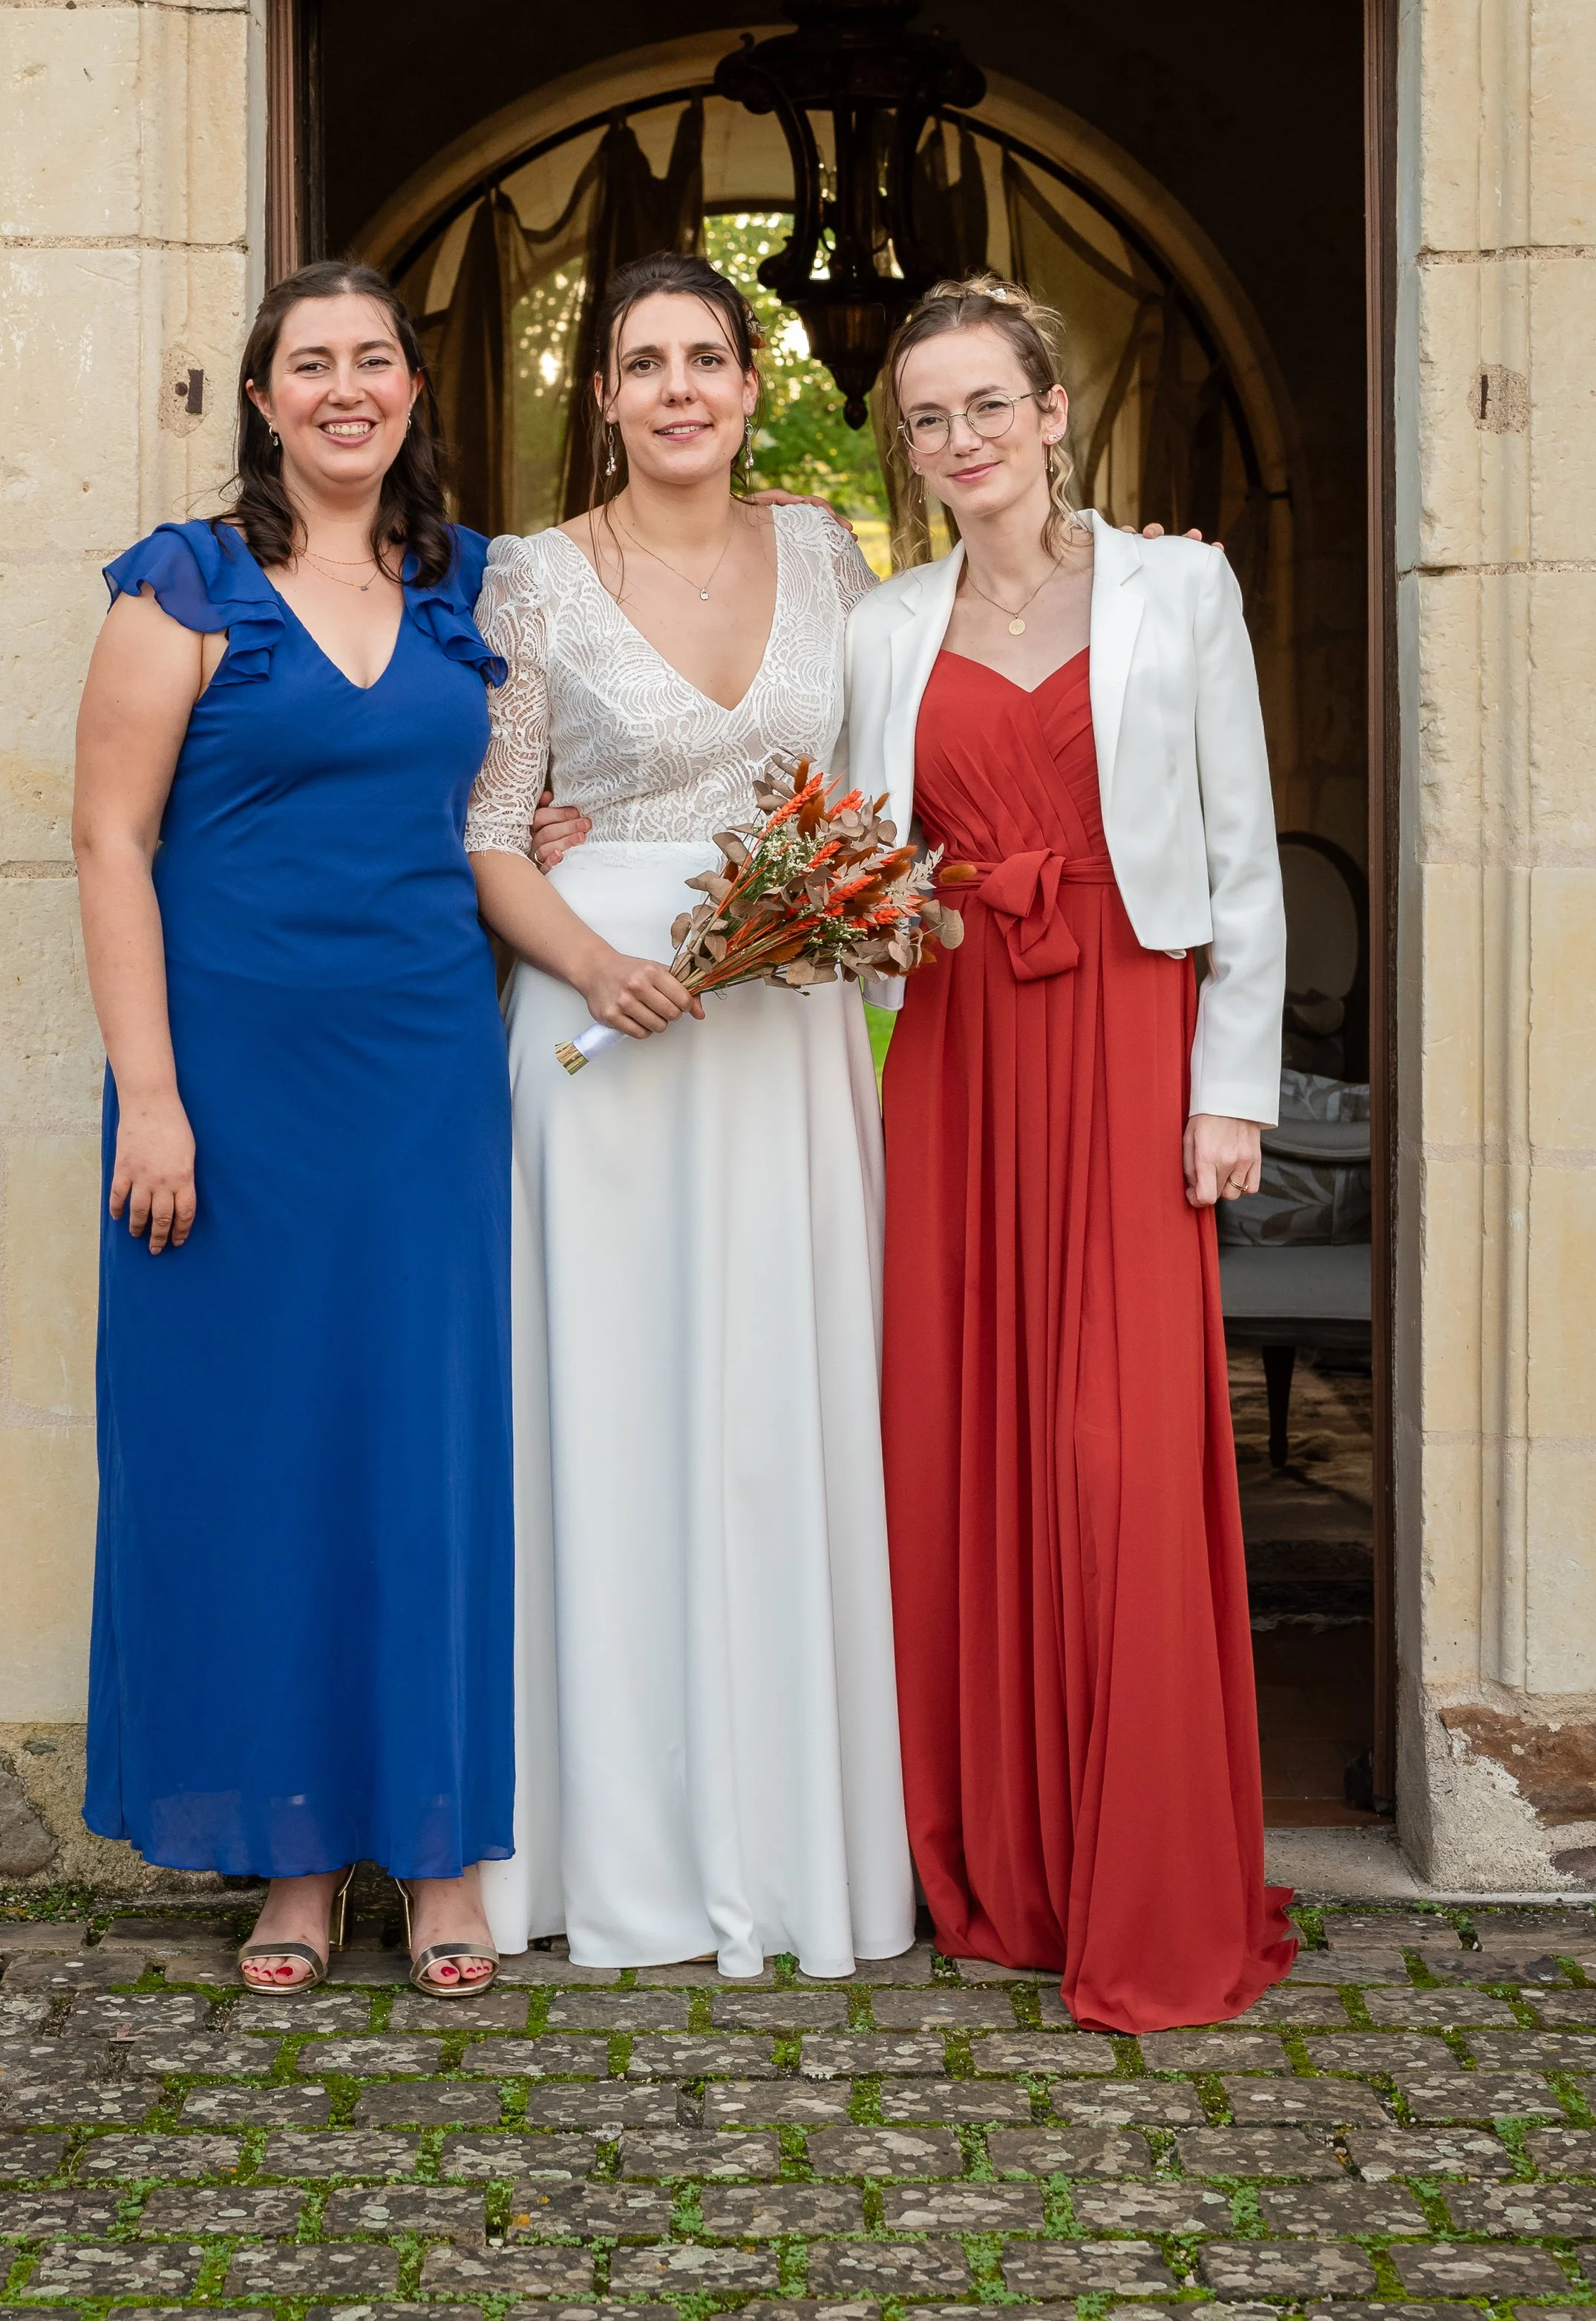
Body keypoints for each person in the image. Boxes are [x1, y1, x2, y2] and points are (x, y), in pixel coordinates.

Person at [845, 275, 1295, 2031]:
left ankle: (1143, 1877)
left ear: (1051, 415)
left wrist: (1227, 1083)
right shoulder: (885, 625)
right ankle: (1003, 1871)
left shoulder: (1179, 586)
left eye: (987, 406)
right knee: (965, 1432)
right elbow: (821, 838)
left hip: (1126, 1034)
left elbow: (1241, 849)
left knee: (1115, 1450)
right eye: (928, 418)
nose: (960, 441)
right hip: (951, 1047)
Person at [465, 252, 915, 1977]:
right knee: (612, 1417)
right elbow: (490, 828)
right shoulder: (530, 580)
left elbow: (879, 774)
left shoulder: (821, 549)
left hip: (784, 1026)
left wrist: (1140, 575)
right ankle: (607, 1859)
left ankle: (792, 1853)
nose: (676, 389)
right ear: (604, 396)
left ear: (746, 383)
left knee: (772, 1417)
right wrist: (592, 961)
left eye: (705, 359)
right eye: (642, 363)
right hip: (600, 1038)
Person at [72, 261, 513, 1997]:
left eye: (373, 361)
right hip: (227, 1093)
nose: (345, 388)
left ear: (413, 390)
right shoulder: (179, 582)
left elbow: (504, 794)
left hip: (418, 1083)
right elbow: (111, 842)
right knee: (253, 1463)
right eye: (307, 363)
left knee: (419, 1452)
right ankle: (292, 1861)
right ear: (260, 399)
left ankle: (443, 1852)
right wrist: (156, 1097)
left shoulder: (467, 583)